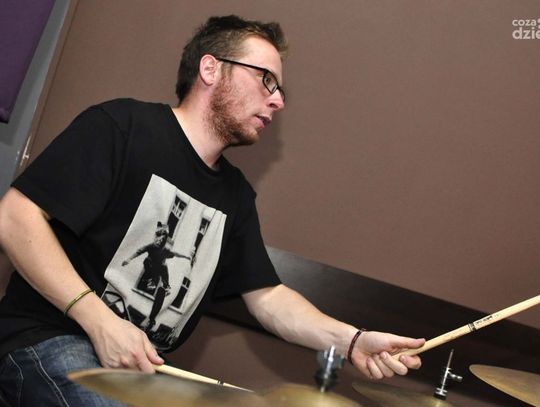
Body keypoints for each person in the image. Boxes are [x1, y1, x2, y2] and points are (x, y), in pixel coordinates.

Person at [0, 15, 425, 406]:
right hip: (49, 338)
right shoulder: (122, 127)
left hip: (140, 370)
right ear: (210, 69)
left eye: (280, 90)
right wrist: (99, 321)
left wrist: (353, 341)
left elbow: (269, 299)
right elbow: (15, 217)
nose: (277, 101)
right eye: (266, 80)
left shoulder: (235, 197)